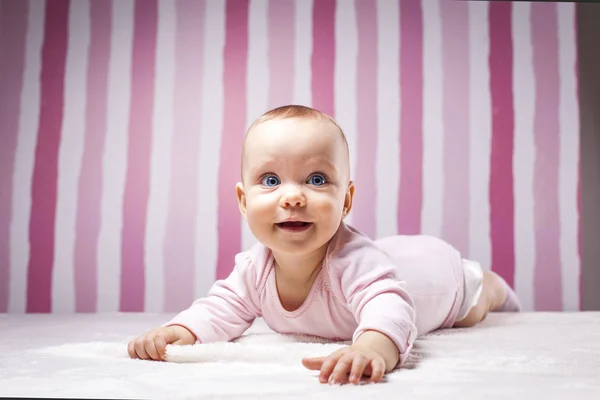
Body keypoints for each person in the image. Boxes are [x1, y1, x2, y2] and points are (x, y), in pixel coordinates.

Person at [127, 105, 521, 385]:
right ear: (244, 202)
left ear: (346, 201)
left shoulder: (354, 262)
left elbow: (390, 308)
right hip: (393, 256)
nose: (293, 197)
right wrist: (178, 332)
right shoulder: (253, 269)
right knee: (385, 262)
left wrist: (371, 348)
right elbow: (219, 310)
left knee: (475, 300)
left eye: (316, 179)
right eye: (270, 180)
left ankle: (487, 281)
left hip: (438, 278)